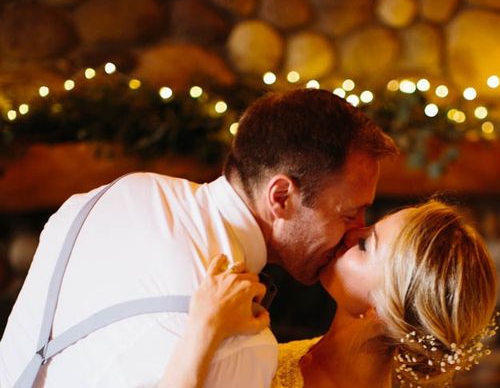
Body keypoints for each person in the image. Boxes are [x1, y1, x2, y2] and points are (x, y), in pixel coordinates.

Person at [0, 89, 398, 387]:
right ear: (281, 197)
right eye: (348, 213)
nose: (357, 230)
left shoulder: (116, 193)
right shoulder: (240, 346)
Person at [163, 199, 498, 388]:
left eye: (367, 245)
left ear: (380, 308)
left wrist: (204, 328)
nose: (352, 232)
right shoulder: (301, 354)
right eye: (367, 226)